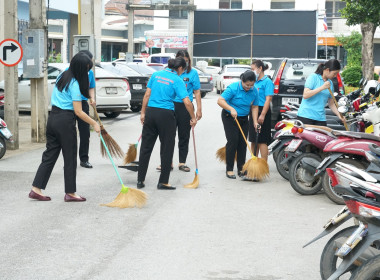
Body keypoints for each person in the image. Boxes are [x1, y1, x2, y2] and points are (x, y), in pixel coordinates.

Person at [28, 52, 101, 202]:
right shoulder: (74, 84)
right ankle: (71, 193)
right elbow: (79, 112)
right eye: (86, 69)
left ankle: (36, 188)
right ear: (80, 68)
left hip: (53, 118)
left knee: (49, 155)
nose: (87, 72)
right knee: (70, 157)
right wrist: (94, 123)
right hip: (65, 121)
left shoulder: (63, 75)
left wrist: (89, 97)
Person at [137, 57, 197, 190]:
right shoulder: (177, 80)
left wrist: (143, 113)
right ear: (180, 68)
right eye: (183, 69)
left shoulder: (156, 75)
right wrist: (193, 117)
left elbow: (147, 95)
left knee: (146, 147)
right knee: (167, 148)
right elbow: (187, 102)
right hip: (166, 115)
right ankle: (163, 182)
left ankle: (140, 180)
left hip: (151, 113)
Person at [157, 50, 202, 172]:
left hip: (185, 106)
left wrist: (199, 109)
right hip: (170, 105)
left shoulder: (193, 73)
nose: (184, 64)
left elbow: (197, 91)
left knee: (184, 135)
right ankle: (167, 162)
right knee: (168, 135)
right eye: (182, 61)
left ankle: (182, 162)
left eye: (186, 61)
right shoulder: (170, 72)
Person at [217, 71, 259, 179]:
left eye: (251, 85)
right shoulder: (233, 88)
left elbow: (254, 107)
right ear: (242, 81)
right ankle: (229, 169)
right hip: (230, 117)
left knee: (243, 142)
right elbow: (220, 100)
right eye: (247, 85)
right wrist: (231, 109)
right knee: (233, 141)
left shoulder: (254, 91)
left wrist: (255, 121)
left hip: (244, 118)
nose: (249, 87)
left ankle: (241, 168)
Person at [297, 59, 344, 126]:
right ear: (327, 70)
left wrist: (340, 115)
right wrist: (322, 87)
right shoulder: (313, 77)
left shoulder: (330, 83)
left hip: (320, 118)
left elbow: (331, 104)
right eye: (334, 73)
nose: (335, 76)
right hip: (306, 116)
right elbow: (305, 95)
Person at [249, 59, 274, 162]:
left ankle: (263, 165)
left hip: (263, 111)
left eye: (253, 69)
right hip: (253, 111)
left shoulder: (267, 81)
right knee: (253, 139)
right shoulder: (253, 81)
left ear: (260, 69)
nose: (251, 71)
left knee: (262, 140)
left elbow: (268, 99)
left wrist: (262, 114)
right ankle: (254, 164)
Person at [76, 50, 96, 168]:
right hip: (70, 105)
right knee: (70, 134)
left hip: (83, 103)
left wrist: (92, 98)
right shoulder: (72, 72)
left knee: (85, 132)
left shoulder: (90, 73)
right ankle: (70, 160)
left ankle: (84, 159)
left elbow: (91, 87)